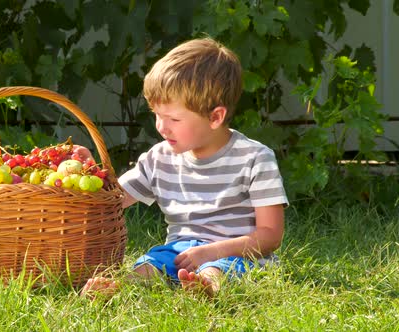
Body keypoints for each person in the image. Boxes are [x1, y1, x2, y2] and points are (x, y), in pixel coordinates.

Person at [78, 37, 289, 298]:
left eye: (173, 118)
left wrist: (212, 252)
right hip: (179, 252)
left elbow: (270, 236)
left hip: (235, 254)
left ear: (215, 117)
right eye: (156, 114)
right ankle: (120, 289)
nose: (161, 127)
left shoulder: (255, 158)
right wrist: (87, 172)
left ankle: (206, 287)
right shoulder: (159, 158)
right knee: (149, 265)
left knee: (218, 269)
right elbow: (112, 199)